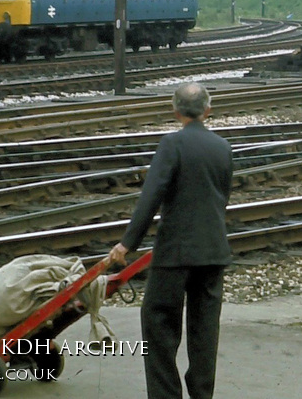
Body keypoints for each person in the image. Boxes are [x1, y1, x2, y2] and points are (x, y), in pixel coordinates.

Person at [108, 82, 233, 399]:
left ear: (175, 110)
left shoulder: (171, 144)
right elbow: (221, 199)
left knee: (159, 323)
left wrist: (127, 244)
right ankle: (202, 394)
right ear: (208, 110)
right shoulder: (223, 148)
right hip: (213, 251)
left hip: (175, 254)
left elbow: (151, 198)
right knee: (205, 330)